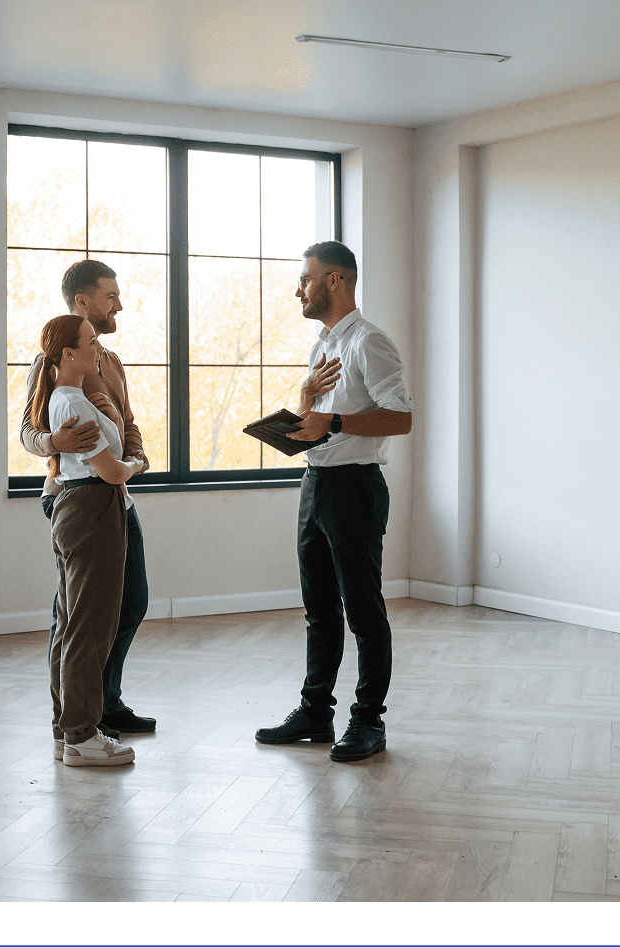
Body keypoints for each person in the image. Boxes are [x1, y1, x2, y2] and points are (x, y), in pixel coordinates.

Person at [255, 241, 413, 762]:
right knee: (319, 611)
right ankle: (315, 712)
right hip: (316, 483)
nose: (298, 288)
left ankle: (368, 722)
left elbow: (401, 418)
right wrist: (303, 408)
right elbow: (317, 425)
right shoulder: (323, 344)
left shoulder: (369, 342)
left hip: (354, 488)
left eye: (306, 278)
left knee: (363, 612)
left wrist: (337, 421)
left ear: (336, 281)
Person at [20, 260, 156, 736]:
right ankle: (75, 715)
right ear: (83, 300)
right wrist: (55, 443)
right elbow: (28, 432)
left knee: (131, 600)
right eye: (110, 295)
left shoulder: (111, 361)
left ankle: (104, 700)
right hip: (73, 496)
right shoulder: (53, 359)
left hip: (116, 493)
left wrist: (135, 457)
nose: (119, 303)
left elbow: (128, 422)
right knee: (78, 613)